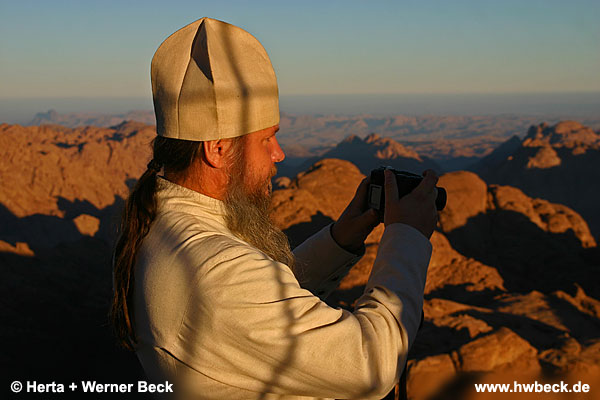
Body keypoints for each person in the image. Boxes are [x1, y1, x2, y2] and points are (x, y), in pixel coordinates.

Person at [110, 17, 438, 400]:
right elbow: (372, 366)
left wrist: (342, 238)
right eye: (267, 139)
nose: (278, 154)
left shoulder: (162, 226)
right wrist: (406, 236)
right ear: (218, 149)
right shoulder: (216, 271)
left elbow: (260, 311)